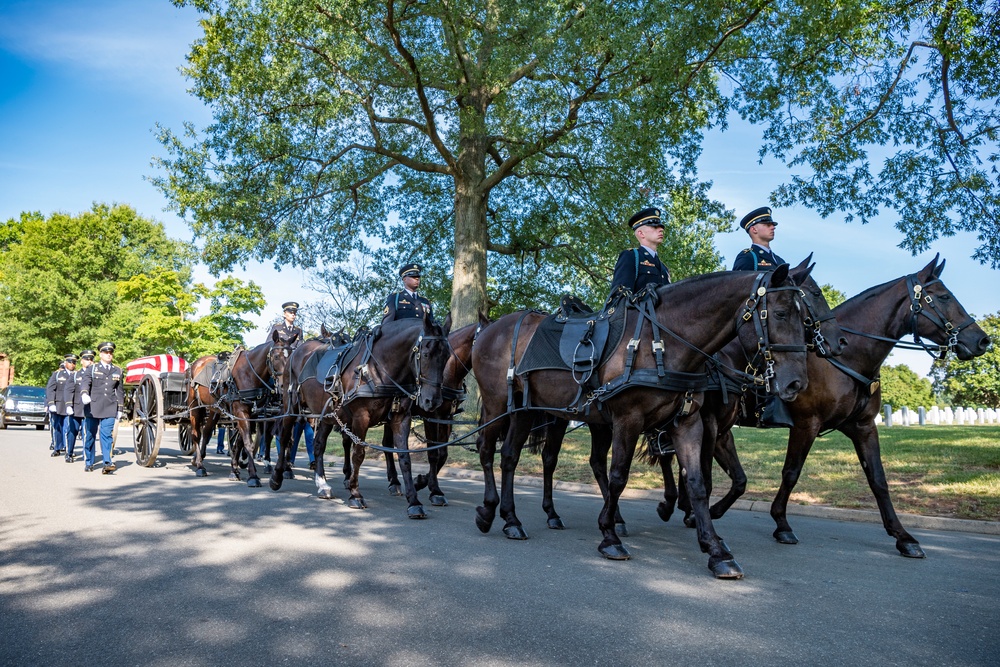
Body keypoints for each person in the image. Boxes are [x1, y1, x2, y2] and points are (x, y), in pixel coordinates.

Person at [80, 342, 124, 474]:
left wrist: (120, 408)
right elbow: (85, 383)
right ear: (100, 354)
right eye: (106, 352)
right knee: (90, 436)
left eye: (111, 353)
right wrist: (84, 393)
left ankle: (107, 462)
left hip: (110, 407)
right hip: (93, 406)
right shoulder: (92, 369)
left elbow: (120, 391)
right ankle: (89, 462)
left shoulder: (118, 370)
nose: (109, 355)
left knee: (106, 435)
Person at [609, 207, 671, 297]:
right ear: (641, 233)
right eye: (654, 226)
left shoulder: (664, 268)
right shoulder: (631, 256)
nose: (661, 229)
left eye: (661, 227)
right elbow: (619, 297)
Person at [731, 206, 786, 271]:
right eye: (768, 225)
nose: (773, 227)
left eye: (773, 225)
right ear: (754, 229)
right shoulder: (748, 257)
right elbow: (739, 280)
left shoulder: (780, 261)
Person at [45, 354, 78, 459]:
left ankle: (69, 451)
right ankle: (57, 447)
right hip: (58, 405)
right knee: (57, 428)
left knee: (69, 429)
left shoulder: (77, 375)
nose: (72, 365)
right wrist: (50, 403)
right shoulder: (58, 374)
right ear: (65, 363)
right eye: (70, 362)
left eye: (74, 363)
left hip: (71, 406)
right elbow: (50, 389)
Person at [65, 350, 94, 464]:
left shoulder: (95, 374)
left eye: (91, 359)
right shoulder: (75, 375)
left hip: (90, 408)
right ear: (82, 361)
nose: (89, 361)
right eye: (87, 359)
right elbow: (69, 390)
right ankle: (69, 453)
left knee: (88, 433)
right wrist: (68, 405)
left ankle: (87, 455)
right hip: (76, 408)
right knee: (72, 431)